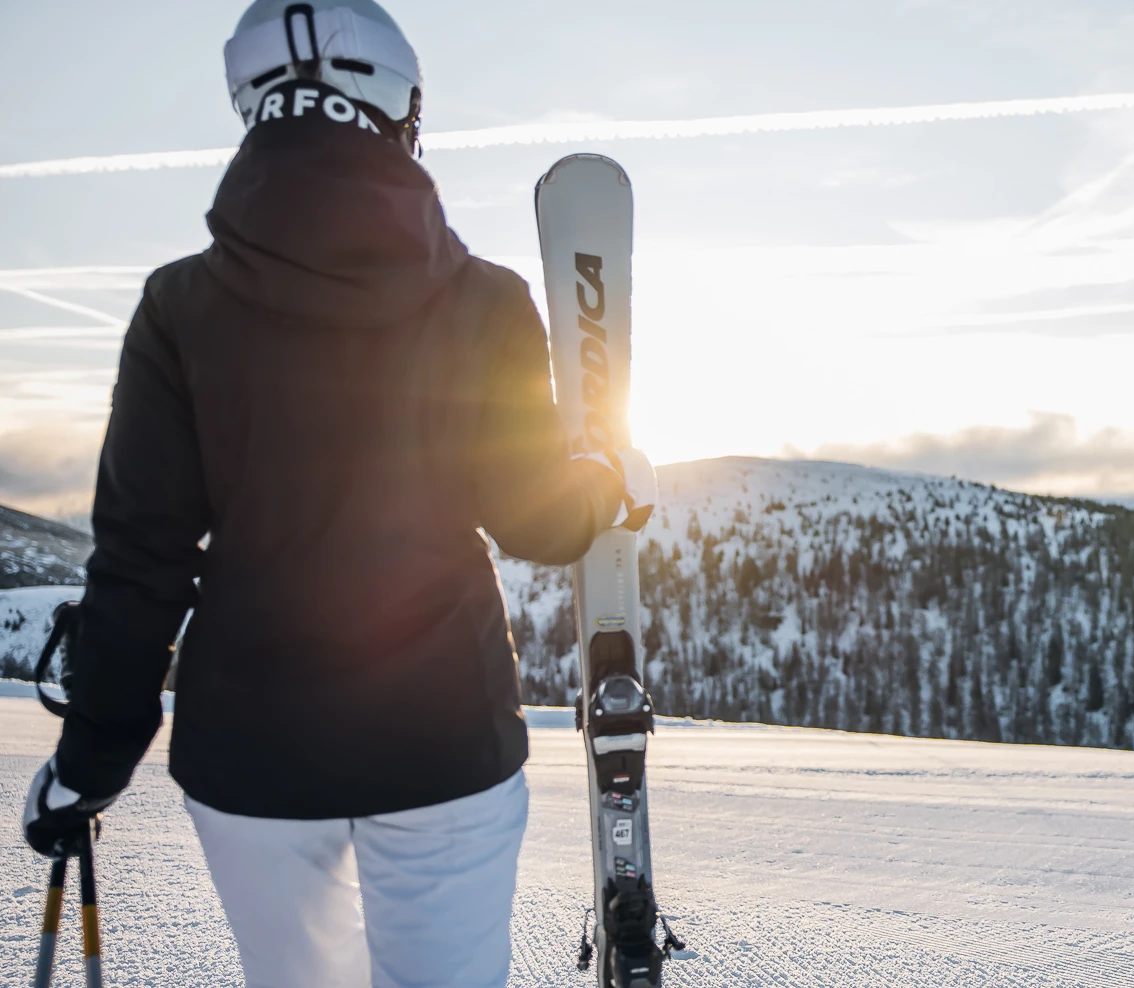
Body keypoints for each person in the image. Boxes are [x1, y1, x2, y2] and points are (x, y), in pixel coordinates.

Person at [19, 2, 657, 985]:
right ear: (401, 108)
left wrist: (90, 765)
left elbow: (140, 563)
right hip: (442, 743)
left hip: (251, 759)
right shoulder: (481, 300)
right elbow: (533, 517)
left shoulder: (178, 309)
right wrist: (604, 482)